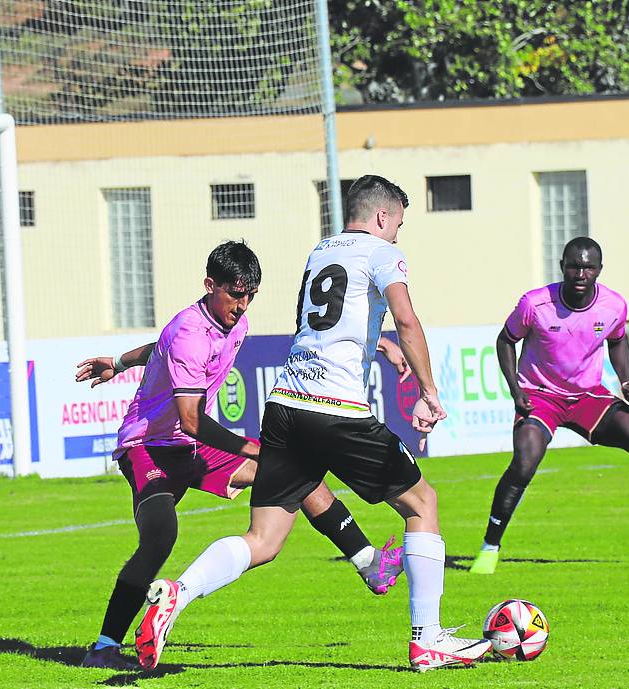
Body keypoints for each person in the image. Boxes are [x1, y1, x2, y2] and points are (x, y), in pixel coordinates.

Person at [133, 175, 492, 673]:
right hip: (336, 408)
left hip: (285, 404)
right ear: (383, 217)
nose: (398, 236)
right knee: (421, 502)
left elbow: (331, 321)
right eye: (399, 225)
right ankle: (427, 638)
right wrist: (429, 393)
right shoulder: (383, 254)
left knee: (264, 539)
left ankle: (178, 592)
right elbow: (408, 319)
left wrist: (377, 344)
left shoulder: (321, 250)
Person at [79, 240, 406, 670]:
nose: (242, 303)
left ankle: (369, 563)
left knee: (296, 471)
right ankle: (103, 648)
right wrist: (251, 446)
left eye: (249, 294)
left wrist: (120, 363)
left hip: (192, 447)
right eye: (235, 293)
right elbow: (192, 417)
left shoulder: (235, 323)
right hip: (148, 448)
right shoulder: (189, 332)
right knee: (160, 538)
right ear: (209, 285)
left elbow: (159, 348)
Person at [469, 237, 629, 575]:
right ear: (562, 266)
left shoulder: (613, 305)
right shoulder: (535, 303)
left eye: (588, 267)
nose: (581, 273)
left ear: (599, 271)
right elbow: (506, 340)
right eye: (574, 265)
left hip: (588, 395)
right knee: (525, 462)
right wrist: (516, 389)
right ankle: (490, 548)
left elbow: (617, 341)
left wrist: (626, 383)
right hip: (541, 396)